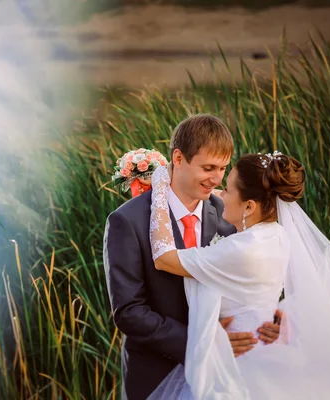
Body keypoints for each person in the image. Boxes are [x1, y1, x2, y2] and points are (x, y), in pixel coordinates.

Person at [147, 151, 330, 399]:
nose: (221, 194)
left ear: (249, 206)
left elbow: (164, 259)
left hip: (241, 365)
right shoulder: (277, 235)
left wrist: (160, 187)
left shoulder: (241, 249)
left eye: (228, 189)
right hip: (272, 357)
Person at [103, 114, 281, 400]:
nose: (217, 179)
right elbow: (129, 311)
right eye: (208, 167)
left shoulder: (229, 216)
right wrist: (202, 342)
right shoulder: (128, 221)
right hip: (156, 375)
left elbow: (242, 279)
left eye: (223, 168)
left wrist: (268, 317)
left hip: (225, 376)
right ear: (178, 158)